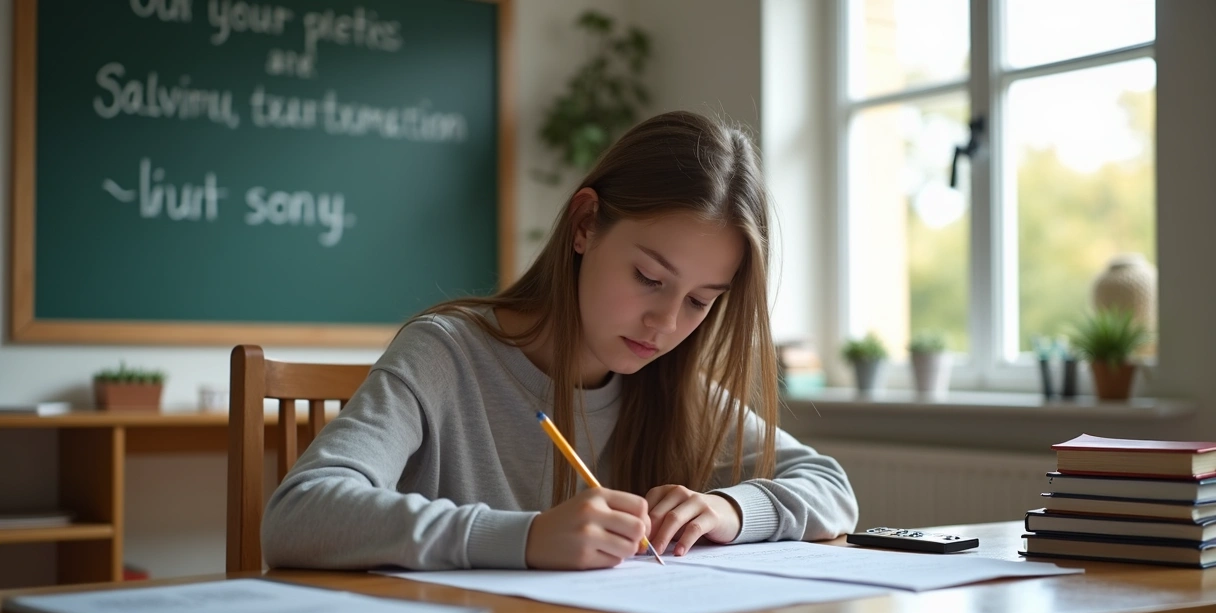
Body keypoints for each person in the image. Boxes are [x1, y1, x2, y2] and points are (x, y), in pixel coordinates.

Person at [261, 110, 858, 571]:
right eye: (649, 279)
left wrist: (731, 509)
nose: (665, 324)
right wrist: (524, 537)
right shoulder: (444, 355)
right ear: (584, 225)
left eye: (700, 301)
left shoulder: (672, 384)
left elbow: (831, 487)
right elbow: (300, 513)